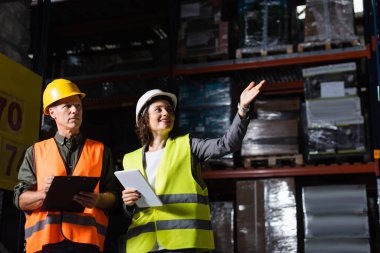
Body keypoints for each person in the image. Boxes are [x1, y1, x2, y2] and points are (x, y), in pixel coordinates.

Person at [121, 80, 265, 253]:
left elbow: (227, 144)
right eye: (158, 109)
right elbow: (133, 210)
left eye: (169, 109)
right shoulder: (129, 159)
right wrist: (128, 204)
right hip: (143, 245)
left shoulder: (188, 146)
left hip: (184, 243)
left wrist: (242, 109)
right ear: (144, 119)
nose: (166, 113)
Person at [13, 79, 120, 253]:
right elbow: (19, 199)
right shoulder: (36, 151)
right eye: (67, 106)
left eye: (78, 106)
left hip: (87, 244)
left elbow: (115, 197)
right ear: (52, 112)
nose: (75, 110)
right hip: (44, 243)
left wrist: (98, 199)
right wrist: (43, 193)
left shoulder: (100, 151)